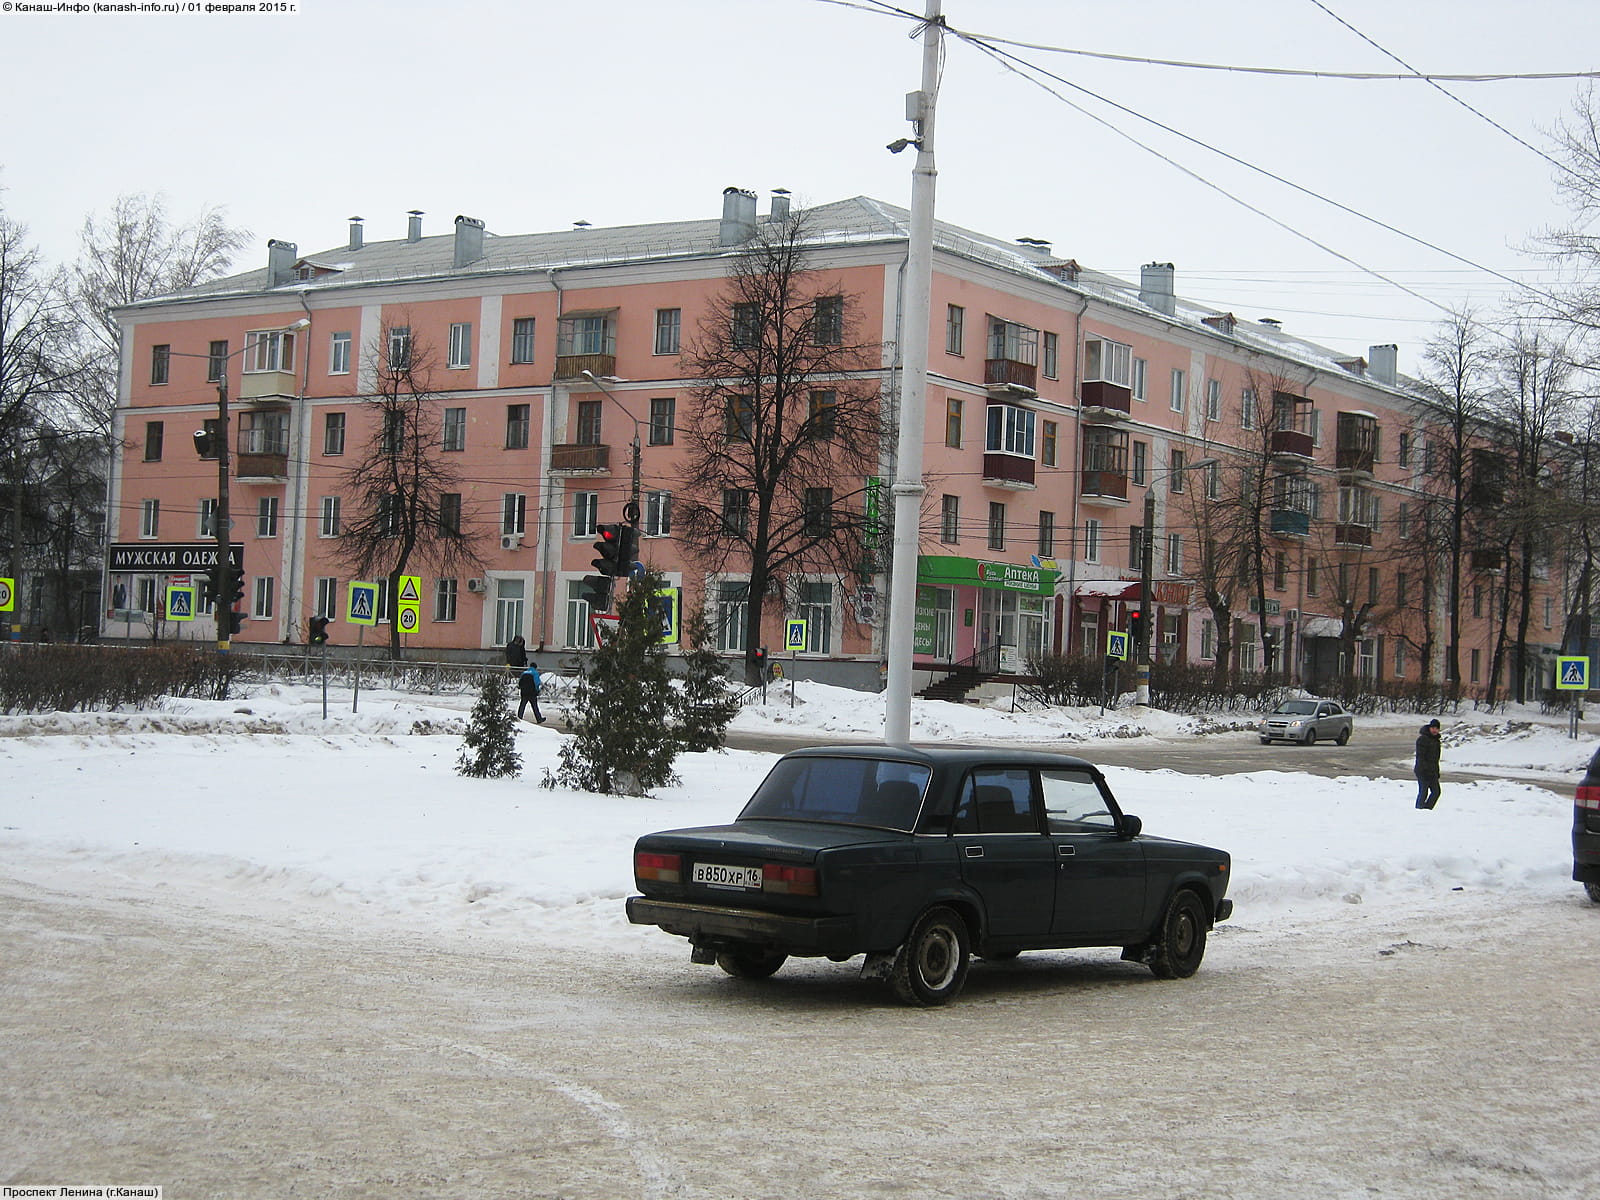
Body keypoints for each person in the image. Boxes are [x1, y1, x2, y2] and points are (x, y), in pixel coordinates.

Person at [1414, 718, 1442, 809]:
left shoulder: (1436, 741)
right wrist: (1424, 770)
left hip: (1432, 771)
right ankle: (1419, 809)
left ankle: (1427, 810)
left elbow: (1436, 759)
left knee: (1436, 792)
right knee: (1424, 791)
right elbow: (1420, 757)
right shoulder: (1423, 739)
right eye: (1433, 728)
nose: (1434, 730)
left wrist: (1436, 772)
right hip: (1422, 771)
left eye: (1436, 728)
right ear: (1429, 728)